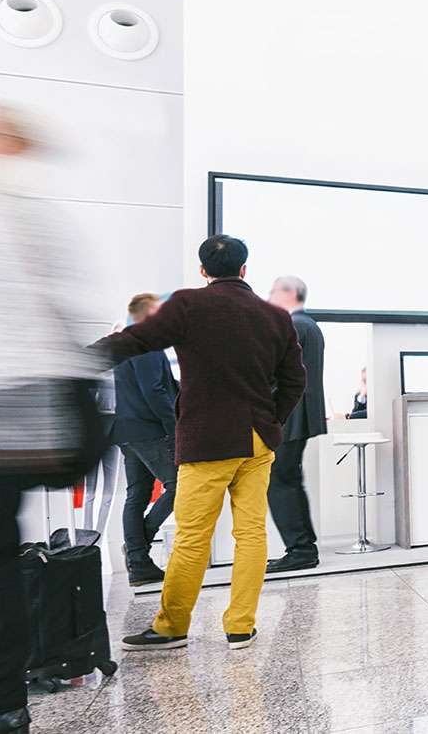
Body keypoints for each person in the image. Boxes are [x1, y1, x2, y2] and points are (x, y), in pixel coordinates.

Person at [0, 102, 103, 734]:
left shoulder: (0, 208)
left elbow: (2, 320)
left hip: (18, 398)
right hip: (28, 396)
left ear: (2, 140)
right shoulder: (19, 208)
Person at [91, 234, 306, 653]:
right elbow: (295, 381)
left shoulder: (189, 304)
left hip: (208, 440)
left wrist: (81, 358)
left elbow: (136, 341)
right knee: (251, 534)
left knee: (192, 536)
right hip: (258, 440)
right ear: (245, 269)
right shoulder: (276, 317)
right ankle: (241, 626)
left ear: (204, 271)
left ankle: (172, 626)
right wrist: (272, 418)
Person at [111, 292, 180, 585]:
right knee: (180, 486)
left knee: (136, 495)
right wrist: (174, 427)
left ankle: (139, 564)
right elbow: (155, 391)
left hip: (127, 431)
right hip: (150, 431)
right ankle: (138, 550)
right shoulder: (147, 345)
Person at [265, 276, 327, 573]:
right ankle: (303, 547)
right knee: (288, 479)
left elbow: (276, 374)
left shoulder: (293, 325)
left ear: (289, 293)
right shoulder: (309, 325)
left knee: (279, 481)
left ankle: (300, 549)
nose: (268, 297)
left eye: (273, 291)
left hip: (288, 415)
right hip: (299, 414)